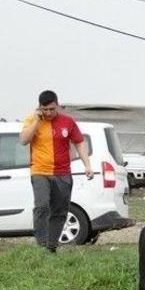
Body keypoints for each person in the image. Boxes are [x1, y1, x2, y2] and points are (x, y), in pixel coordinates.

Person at [19, 90, 94, 253]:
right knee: (42, 206)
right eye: (44, 109)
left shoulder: (68, 121)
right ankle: (41, 244)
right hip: (39, 171)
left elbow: (79, 143)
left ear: (57, 105)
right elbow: (23, 140)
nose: (48, 113)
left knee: (60, 210)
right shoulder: (32, 120)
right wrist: (37, 122)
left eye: (52, 109)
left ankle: (51, 247)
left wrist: (87, 165)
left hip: (63, 173)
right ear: (39, 108)